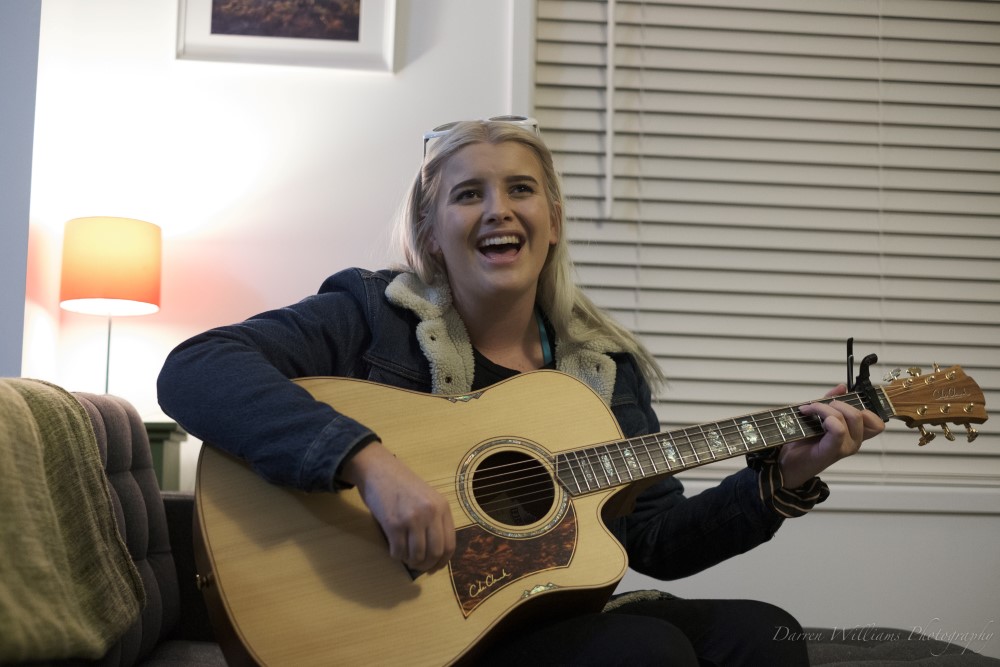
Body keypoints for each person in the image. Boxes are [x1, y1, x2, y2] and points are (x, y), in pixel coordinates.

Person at [157, 116, 886, 665]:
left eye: (521, 190)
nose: (498, 209)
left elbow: (657, 540)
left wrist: (784, 477)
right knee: (644, 652)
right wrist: (369, 463)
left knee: (766, 633)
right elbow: (197, 365)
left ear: (553, 222)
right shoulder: (370, 316)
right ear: (432, 232)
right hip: (411, 627)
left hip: (536, 625)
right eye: (468, 194)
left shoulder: (601, 368)